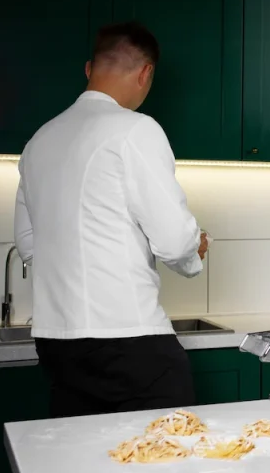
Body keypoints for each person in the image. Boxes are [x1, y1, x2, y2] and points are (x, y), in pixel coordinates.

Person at [13, 21, 209, 419]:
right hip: (130, 343)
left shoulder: (39, 141)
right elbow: (174, 241)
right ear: (145, 73)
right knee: (163, 465)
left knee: (84, 470)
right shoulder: (136, 130)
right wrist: (194, 253)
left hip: (58, 345)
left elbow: (29, 244)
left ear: (89, 69)